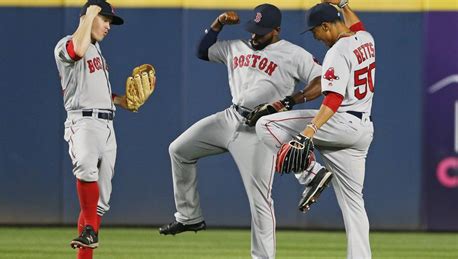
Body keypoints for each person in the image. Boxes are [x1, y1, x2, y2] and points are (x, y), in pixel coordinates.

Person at [159, 3, 323, 258]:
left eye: (262, 31)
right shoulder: (236, 46)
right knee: (178, 150)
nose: (255, 35)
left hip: (260, 130)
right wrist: (218, 24)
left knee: (260, 201)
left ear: (276, 30)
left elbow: (322, 81)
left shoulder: (293, 54)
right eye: (253, 29)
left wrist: (294, 99)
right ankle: (189, 216)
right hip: (230, 117)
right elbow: (202, 51)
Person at [256, 1, 375, 258]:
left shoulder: (337, 52)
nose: (315, 37)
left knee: (265, 125)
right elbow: (357, 24)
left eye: (315, 32)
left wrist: (308, 132)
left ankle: (311, 174)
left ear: (325, 26)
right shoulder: (366, 38)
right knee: (354, 205)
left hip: (341, 123)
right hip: (363, 129)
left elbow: (332, 100)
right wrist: (343, 4)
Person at [54, 1, 133, 258]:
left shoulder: (98, 52)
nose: (108, 26)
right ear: (90, 15)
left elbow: (99, 93)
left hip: (108, 124)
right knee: (86, 166)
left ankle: (88, 236)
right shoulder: (67, 44)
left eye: (110, 22)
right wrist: (89, 15)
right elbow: (76, 50)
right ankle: (89, 228)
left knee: (101, 201)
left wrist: (122, 101)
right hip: (83, 122)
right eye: (105, 19)